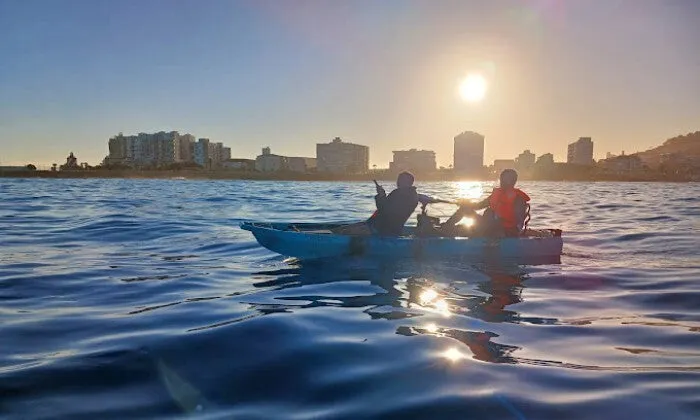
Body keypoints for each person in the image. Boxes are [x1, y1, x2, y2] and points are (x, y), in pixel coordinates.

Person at [440, 169, 530, 237]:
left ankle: (446, 230)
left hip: (504, 232)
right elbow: (478, 206)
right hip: (489, 227)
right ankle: (445, 229)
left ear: (510, 181)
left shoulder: (518, 199)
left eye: (502, 179)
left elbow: (518, 223)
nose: (501, 181)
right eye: (501, 179)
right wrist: (466, 203)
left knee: (486, 214)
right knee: (465, 210)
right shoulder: (497, 194)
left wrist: (502, 229)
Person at [333, 171, 419, 236]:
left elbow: (385, 211)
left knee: (341, 232)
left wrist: (381, 195)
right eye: (398, 179)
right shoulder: (405, 194)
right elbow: (386, 209)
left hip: (383, 229)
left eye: (401, 180)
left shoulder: (404, 195)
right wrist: (382, 195)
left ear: (408, 182)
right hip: (376, 225)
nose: (398, 182)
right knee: (340, 229)